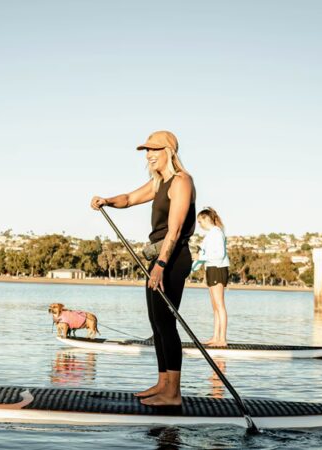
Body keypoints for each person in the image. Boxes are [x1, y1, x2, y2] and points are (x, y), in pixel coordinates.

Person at [90, 130, 196, 407]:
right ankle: (163, 383)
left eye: (153, 150)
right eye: (146, 150)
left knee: (167, 323)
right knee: (157, 322)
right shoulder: (158, 182)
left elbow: (174, 231)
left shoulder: (181, 181)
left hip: (172, 258)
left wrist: (161, 264)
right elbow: (128, 198)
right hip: (160, 256)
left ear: (168, 152)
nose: (148, 155)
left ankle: (173, 393)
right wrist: (106, 200)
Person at [192, 207, 230, 347]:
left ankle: (222, 339)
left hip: (218, 269)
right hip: (211, 268)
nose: (199, 225)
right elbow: (205, 255)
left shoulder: (217, 233)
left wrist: (200, 256)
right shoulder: (211, 234)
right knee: (215, 306)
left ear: (206, 219)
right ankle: (215, 337)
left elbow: (219, 254)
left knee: (220, 305)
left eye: (200, 221)